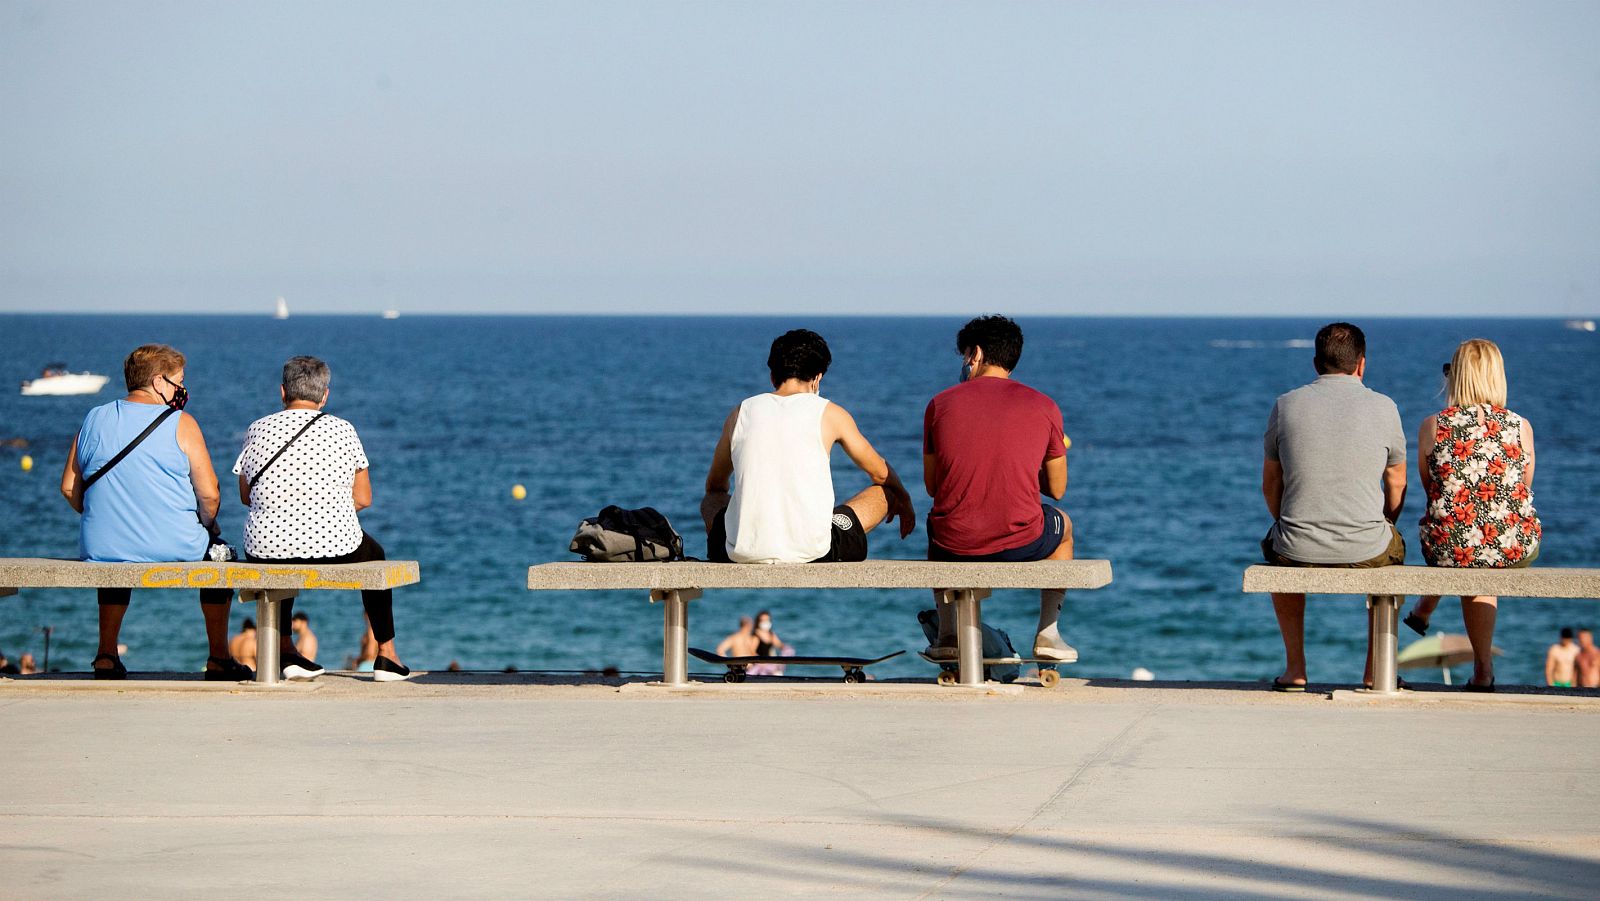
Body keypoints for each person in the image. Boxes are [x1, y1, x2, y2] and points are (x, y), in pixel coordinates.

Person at [58, 344, 250, 681]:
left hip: (102, 545)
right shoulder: (182, 423)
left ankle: (106, 654)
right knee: (220, 555)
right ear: (159, 381)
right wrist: (208, 526)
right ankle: (219, 658)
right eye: (179, 381)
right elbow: (210, 494)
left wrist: (101, 516)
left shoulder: (94, 418)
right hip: (176, 544)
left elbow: (68, 488)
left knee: (116, 556)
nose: (182, 390)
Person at [234, 356, 410, 682]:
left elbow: (246, 496)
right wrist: (323, 513)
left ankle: (286, 649)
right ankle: (387, 654)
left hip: (265, 544)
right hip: (337, 544)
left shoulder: (256, 428)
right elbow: (364, 498)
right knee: (375, 555)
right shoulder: (344, 429)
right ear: (325, 395)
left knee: (280, 551)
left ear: (283, 391)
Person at [1261, 323, 1408, 691]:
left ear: (1316, 364)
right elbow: (1397, 482)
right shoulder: (1385, 407)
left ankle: (1295, 669)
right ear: (1361, 364)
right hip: (1368, 546)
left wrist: (1287, 521)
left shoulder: (1286, 405)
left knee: (1280, 549)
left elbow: (1271, 483)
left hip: (1296, 545)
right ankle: (1375, 670)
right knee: (1393, 555)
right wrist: (1385, 522)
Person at [921, 315, 1076, 662]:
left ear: (975, 354)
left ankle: (948, 633)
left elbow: (933, 486)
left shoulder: (939, 404)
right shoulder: (1044, 406)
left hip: (954, 545)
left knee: (938, 521)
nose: (964, 364)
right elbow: (1058, 489)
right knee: (1064, 526)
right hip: (1021, 541)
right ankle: (1048, 633)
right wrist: (1026, 468)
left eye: (964, 355)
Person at [701, 329, 916, 564]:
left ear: (772, 376)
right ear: (817, 378)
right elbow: (880, 473)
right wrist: (904, 499)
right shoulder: (831, 413)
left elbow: (715, 485)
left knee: (712, 499)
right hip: (815, 552)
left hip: (740, 551)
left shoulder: (740, 412)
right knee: (886, 492)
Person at [1400, 339, 1542, 692]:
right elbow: (1522, 488)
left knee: (1464, 538)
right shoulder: (1520, 426)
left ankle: (1426, 608)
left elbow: (1432, 490)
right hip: (1511, 545)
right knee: (1483, 546)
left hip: (1449, 546)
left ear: (1456, 376)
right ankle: (1483, 670)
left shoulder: (1432, 426)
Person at [747, 610, 793, 676]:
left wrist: (787, 649)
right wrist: (760, 662)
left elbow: (779, 645)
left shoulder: (771, 634)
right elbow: (751, 651)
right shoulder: (756, 635)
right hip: (760, 666)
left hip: (770, 664)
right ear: (758, 622)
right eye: (763, 620)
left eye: (767, 620)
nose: (765, 622)